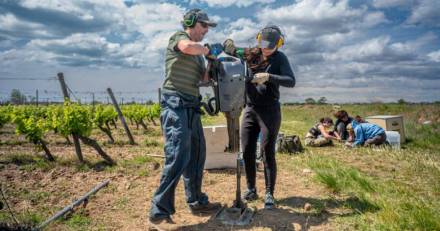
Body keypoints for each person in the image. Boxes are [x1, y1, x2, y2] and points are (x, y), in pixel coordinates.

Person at [148, 8, 222, 229]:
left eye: (208, 27)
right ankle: (159, 212)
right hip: (174, 104)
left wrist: (211, 63)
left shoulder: (199, 56)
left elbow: (203, 80)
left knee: (197, 155)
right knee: (178, 153)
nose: (207, 30)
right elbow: (187, 47)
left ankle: (196, 200)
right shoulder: (179, 39)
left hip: (192, 106)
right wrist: (207, 50)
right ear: (191, 23)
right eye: (204, 25)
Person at [223, 25, 295, 209]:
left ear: (279, 43)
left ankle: (269, 193)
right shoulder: (250, 53)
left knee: (267, 151)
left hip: (269, 111)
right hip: (250, 109)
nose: (266, 49)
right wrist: (228, 45)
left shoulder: (280, 58)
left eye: (270, 46)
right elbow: (230, 48)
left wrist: (269, 76)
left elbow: (290, 81)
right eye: (263, 45)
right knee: (247, 151)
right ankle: (251, 189)